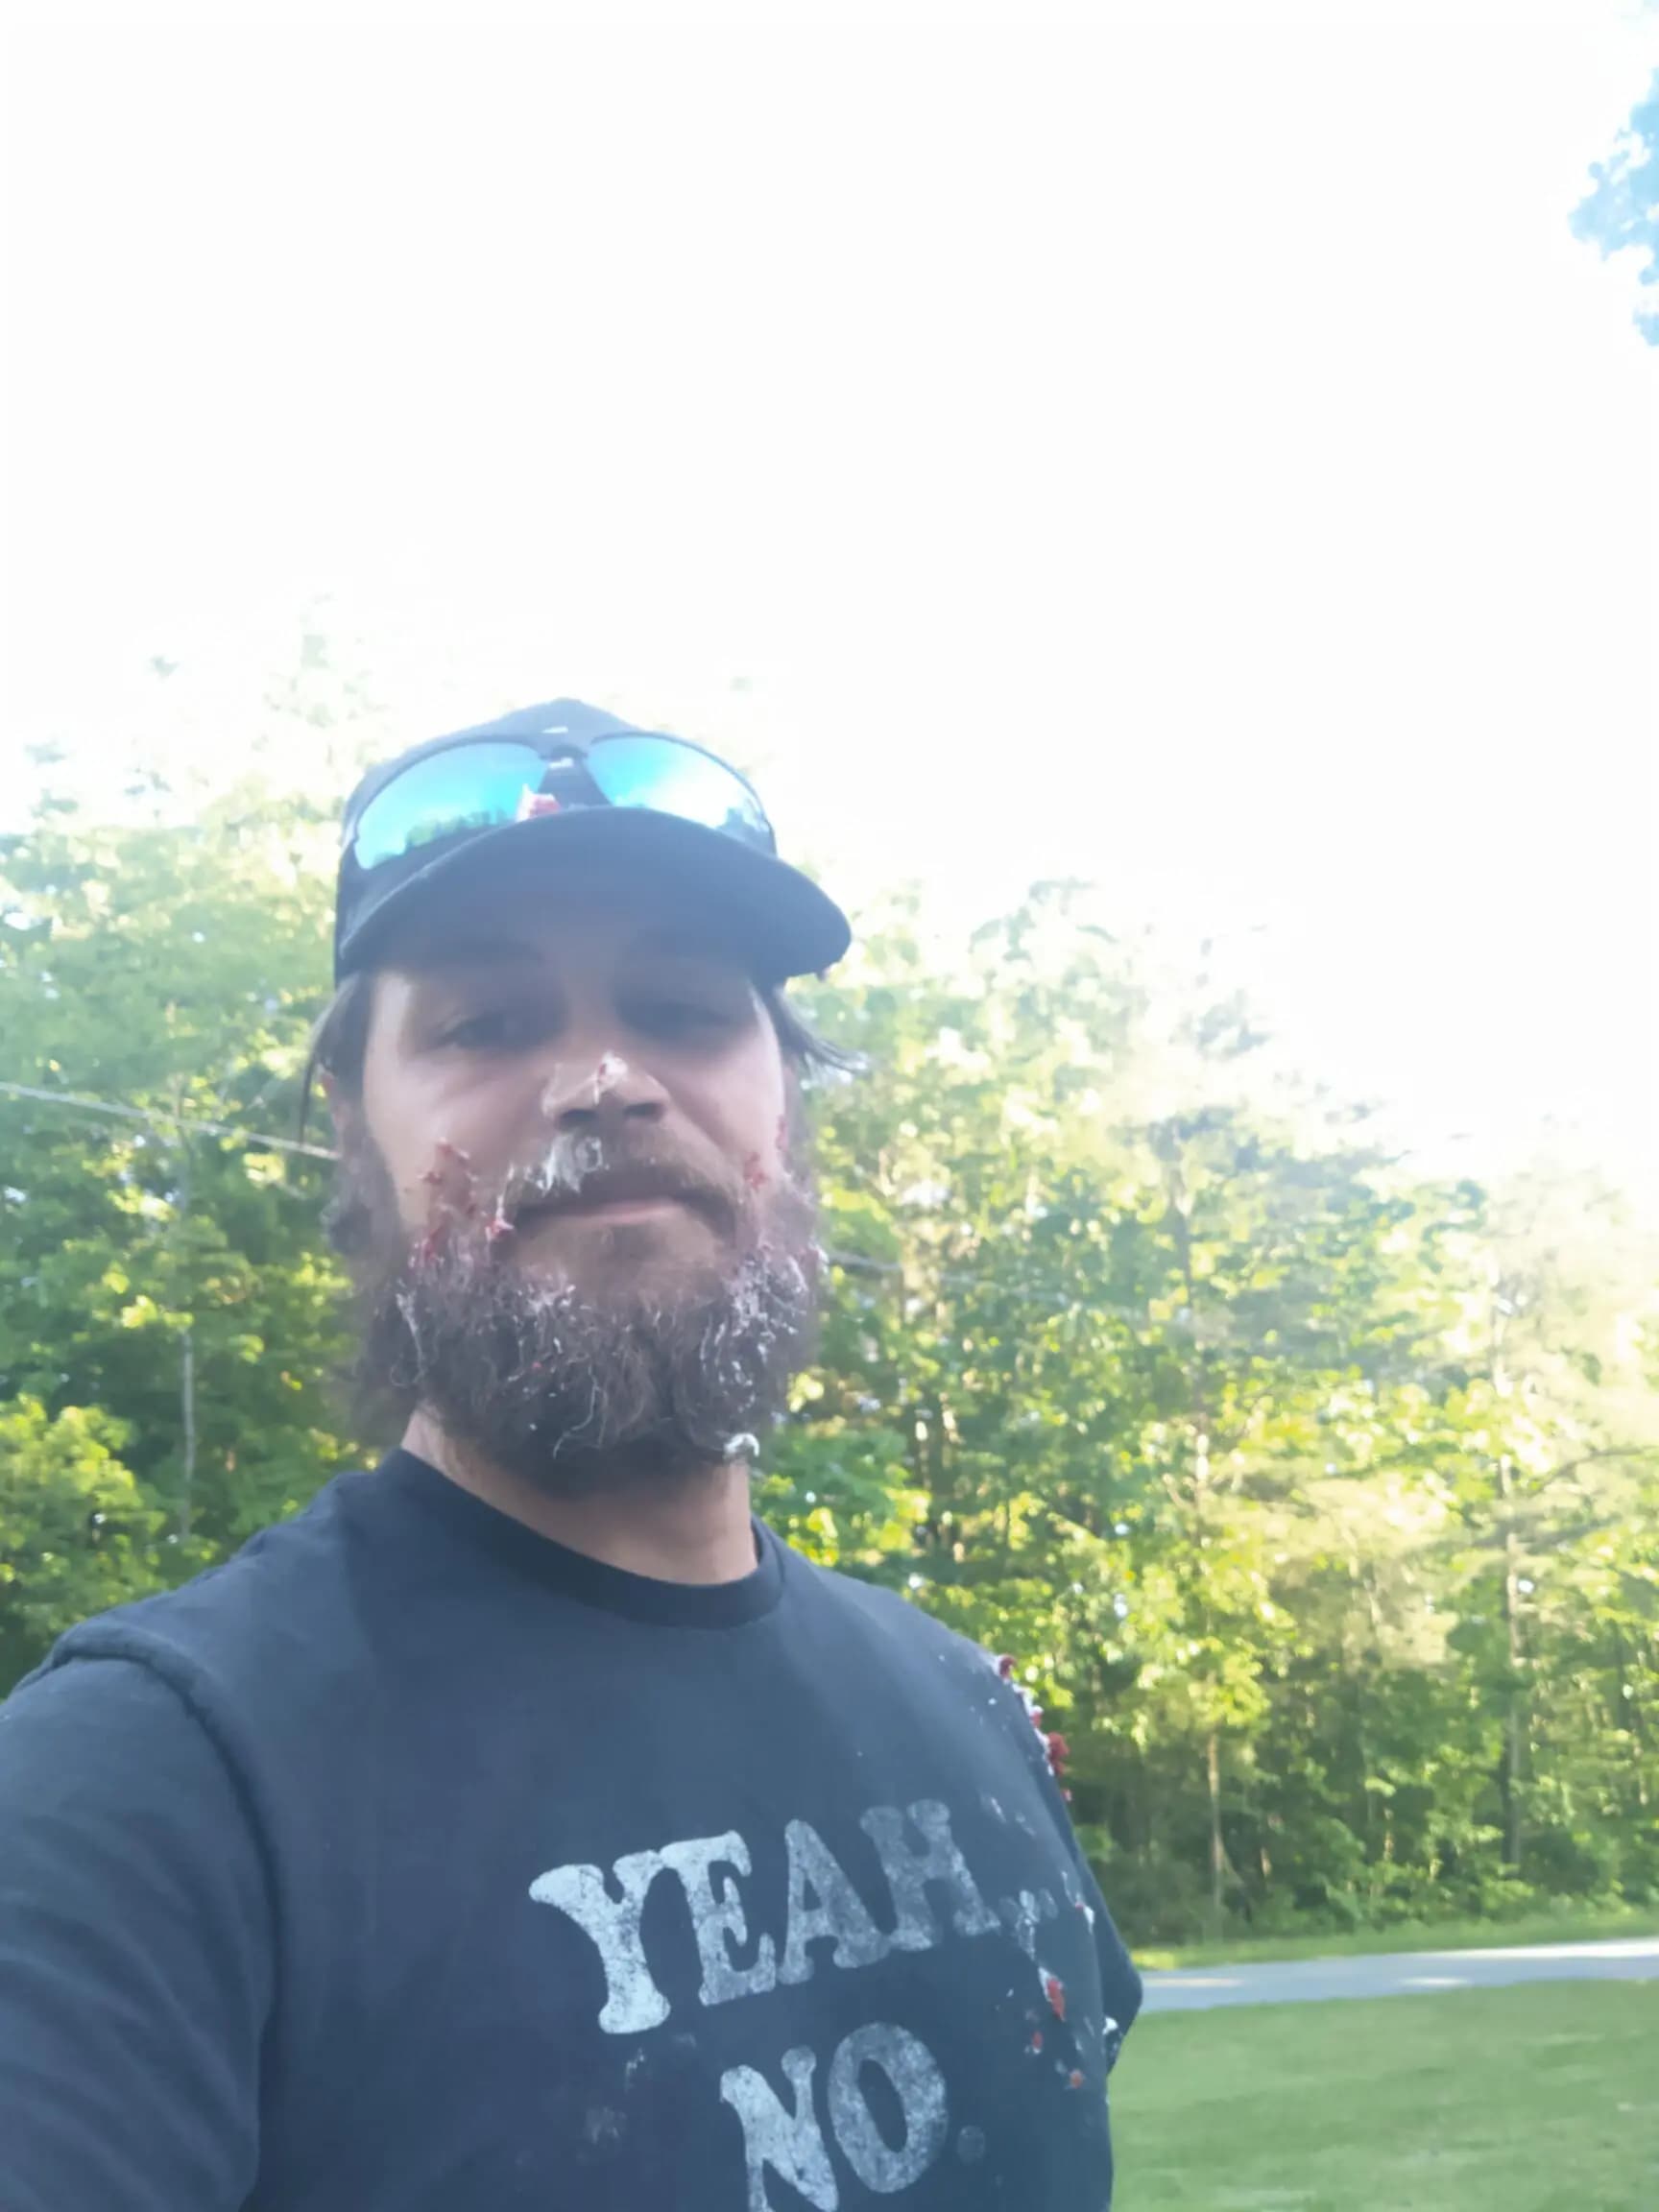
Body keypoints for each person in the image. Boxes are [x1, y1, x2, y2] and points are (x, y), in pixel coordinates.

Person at [0, 699, 1141, 2211]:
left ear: (784, 1103)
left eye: (682, 1007)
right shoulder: (142, 1791)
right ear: (353, 1128)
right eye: (486, 1024)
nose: (606, 1075)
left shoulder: (966, 1710)